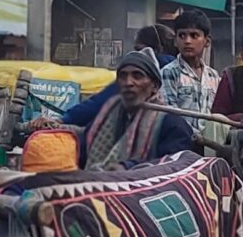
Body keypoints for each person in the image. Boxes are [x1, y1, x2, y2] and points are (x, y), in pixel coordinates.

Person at [63, 49, 198, 169]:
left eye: (137, 76)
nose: (128, 83)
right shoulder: (106, 115)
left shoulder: (172, 124)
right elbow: (83, 145)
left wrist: (126, 167)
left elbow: (173, 167)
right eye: (123, 76)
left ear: (154, 87)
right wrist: (55, 126)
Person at [159, 8, 222, 117]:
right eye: (182, 35)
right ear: (175, 41)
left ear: (207, 41)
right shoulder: (169, 73)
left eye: (194, 36)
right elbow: (169, 114)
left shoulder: (213, 76)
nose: (187, 41)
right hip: (181, 134)